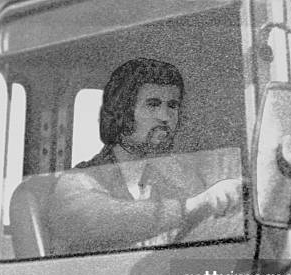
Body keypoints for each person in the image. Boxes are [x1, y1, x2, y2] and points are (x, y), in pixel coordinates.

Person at [48, 58, 242, 255]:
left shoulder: (176, 179)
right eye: (153, 105)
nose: (165, 117)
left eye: (172, 106)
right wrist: (195, 205)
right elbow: (100, 219)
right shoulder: (75, 183)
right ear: (121, 112)